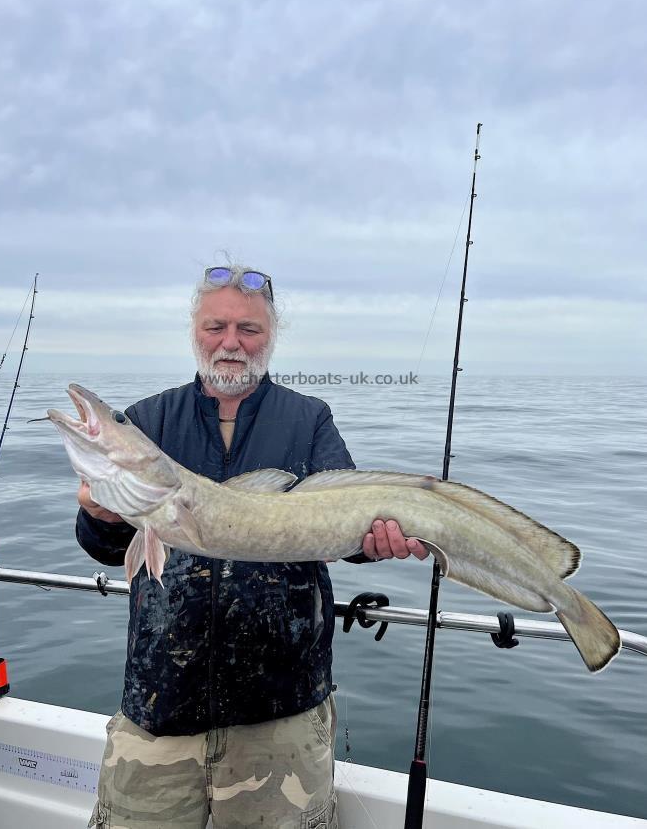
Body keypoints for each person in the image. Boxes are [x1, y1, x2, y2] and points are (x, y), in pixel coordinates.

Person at [77, 265, 428, 829]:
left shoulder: (309, 419)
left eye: (249, 329)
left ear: (272, 336)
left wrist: (376, 542)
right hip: (160, 704)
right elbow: (101, 545)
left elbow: (347, 530)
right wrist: (97, 513)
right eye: (217, 326)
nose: (231, 342)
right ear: (195, 330)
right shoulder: (147, 420)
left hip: (281, 711)